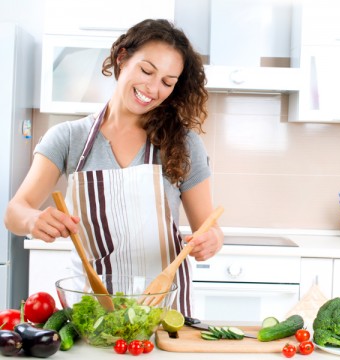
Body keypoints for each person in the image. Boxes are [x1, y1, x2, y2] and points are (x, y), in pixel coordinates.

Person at [4, 19, 224, 316]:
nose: (153, 88)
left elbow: (208, 228)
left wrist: (212, 240)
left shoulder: (184, 144)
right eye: (147, 71)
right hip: (92, 311)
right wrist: (33, 220)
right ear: (122, 58)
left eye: (167, 82)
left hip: (163, 309)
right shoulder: (69, 138)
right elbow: (15, 211)